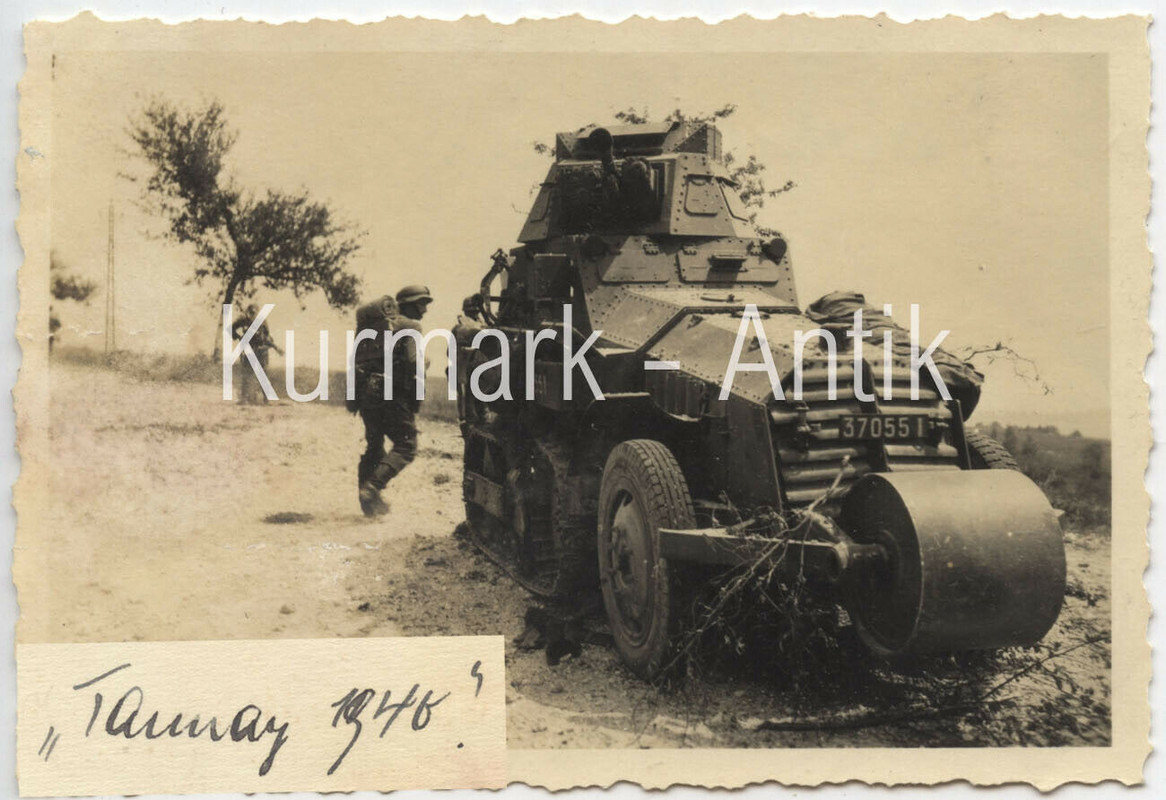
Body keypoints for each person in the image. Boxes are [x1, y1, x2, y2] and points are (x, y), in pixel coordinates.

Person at [353, 285, 433, 516]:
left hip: (368, 394)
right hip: (394, 396)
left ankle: (369, 505)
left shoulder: (377, 328)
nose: (424, 310)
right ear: (407, 304)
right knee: (406, 446)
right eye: (421, 304)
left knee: (374, 446)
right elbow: (412, 363)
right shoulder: (411, 326)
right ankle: (372, 488)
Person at [232, 303, 283, 404]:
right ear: (248, 312)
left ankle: (266, 399)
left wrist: (275, 347)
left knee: (263, 374)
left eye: (254, 312)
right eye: (250, 312)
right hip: (249, 349)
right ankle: (244, 398)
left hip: (261, 350)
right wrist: (239, 337)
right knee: (247, 374)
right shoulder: (243, 320)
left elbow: (266, 337)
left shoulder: (262, 321)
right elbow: (231, 329)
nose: (252, 315)